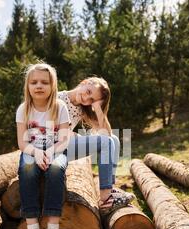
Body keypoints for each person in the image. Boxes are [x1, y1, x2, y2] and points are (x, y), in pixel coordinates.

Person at [16, 63, 71, 229]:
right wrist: (37, 153)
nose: (39, 86)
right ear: (28, 86)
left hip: (55, 150)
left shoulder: (60, 107)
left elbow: (64, 139)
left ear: (52, 85)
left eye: (44, 82)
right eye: (34, 82)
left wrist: (49, 151)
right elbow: (22, 143)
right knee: (28, 167)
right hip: (31, 150)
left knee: (55, 169)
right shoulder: (24, 109)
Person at [57, 77, 135, 215]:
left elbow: (107, 133)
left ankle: (110, 189)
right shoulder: (58, 99)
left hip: (65, 146)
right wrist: (71, 135)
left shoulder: (82, 107)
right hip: (53, 149)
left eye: (91, 99)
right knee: (106, 142)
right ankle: (106, 198)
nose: (86, 98)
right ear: (84, 82)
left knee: (114, 140)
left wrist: (98, 108)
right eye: (88, 91)